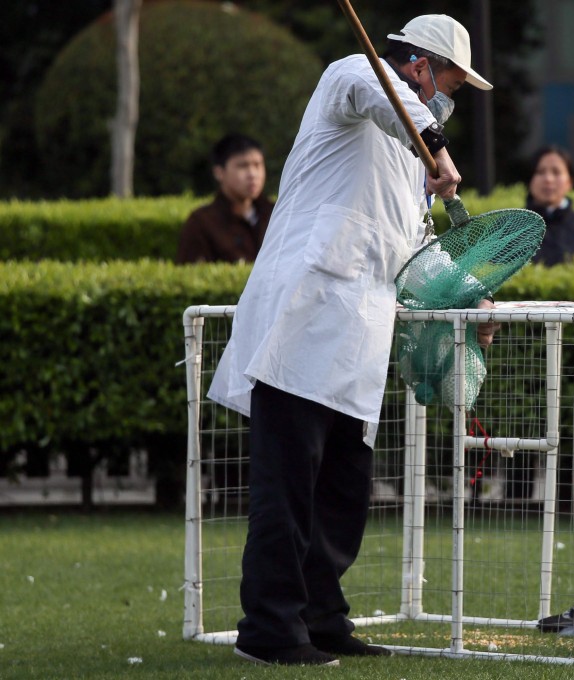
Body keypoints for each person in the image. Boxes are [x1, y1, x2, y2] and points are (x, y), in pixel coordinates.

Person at [207, 14, 495, 667]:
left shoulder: (409, 158)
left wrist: (469, 293)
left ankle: (321, 616)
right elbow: (389, 100)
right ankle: (271, 630)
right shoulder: (353, 76)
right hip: (302, 328)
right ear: (419, 64)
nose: (450, 95)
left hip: (361, 339)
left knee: (341, 490)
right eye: (449, 80)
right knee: (289, 487)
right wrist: (440, 149)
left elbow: (415, 251)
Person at [175, 134, 274, 264]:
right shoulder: (202, 222)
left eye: (257, 165)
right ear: (219, 172)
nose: (253, 174)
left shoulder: (276, 214)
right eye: (242, 166)